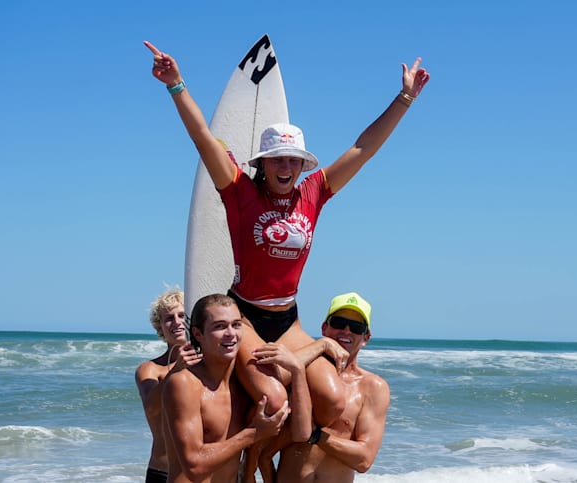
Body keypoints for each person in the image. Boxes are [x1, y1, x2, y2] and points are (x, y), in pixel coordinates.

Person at [144, 40, 429, 427]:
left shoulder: (314, 192)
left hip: (288, 320)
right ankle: (255, 464)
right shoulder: (239, 190)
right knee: (274, 398)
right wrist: (176, 85)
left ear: (301, 165)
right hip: (244, 316)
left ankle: (278, 461)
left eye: (294, 160)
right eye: (278, 159)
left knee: (332, 399)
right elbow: (203, 140)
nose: (287, 166)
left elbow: (363, 149)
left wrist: (405, 98)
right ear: (263, 164)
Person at [161, 293, 313, 482]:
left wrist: (298, 369)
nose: (231, 333)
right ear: (198, 334)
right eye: (220, 326)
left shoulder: (243, 387)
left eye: (236, 324)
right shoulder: (184, 384)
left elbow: (302, 433)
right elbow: (194, 466)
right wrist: (254, 433)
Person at [258, 292, 390, 483]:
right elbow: (262, 382)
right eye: (338, 322)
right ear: (324, 328)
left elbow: (364, 459)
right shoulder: (299, 372)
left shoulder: (372, 387)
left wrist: (315, 435)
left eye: (356, 327)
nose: (346, 331)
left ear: (366, 337)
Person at [134, 288, 202, 483]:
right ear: (160, 327)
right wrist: (176, 369)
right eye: (169, 318)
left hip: (201, 470)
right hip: (162, 471)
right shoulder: (150, 369)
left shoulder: (207, 365)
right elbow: (152, 408)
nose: (177, 322)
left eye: (182, 315)